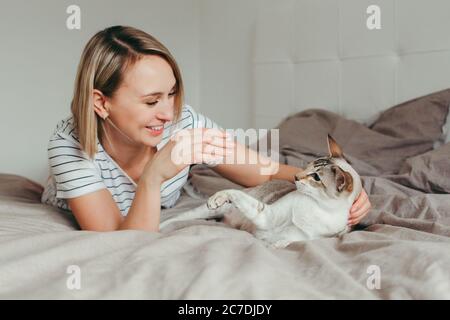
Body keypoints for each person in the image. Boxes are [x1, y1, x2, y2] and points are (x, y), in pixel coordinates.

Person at [41, 26, 371, 232]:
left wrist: (342, 188)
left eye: (171, 94)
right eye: (151, 101)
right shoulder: (68, 147)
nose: (168, 113)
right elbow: (122, 240)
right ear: (101, 103)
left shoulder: (184, 122)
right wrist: (154, 175)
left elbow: (265, 173)